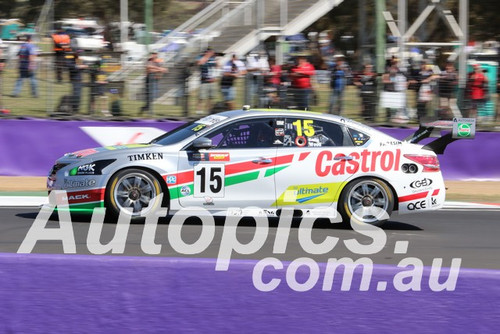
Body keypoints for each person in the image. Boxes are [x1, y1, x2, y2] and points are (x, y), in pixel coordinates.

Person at [196, 48, 218, 114]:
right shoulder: (200, 57)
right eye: (210, 52)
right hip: (204, 81)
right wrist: (207, 56)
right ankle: (199, 111)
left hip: (212, 81)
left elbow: (218, 66)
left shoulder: (213, 59)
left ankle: (209, 111)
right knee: (201, 97)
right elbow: (199, 63)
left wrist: (216, 59)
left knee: (211, 97)